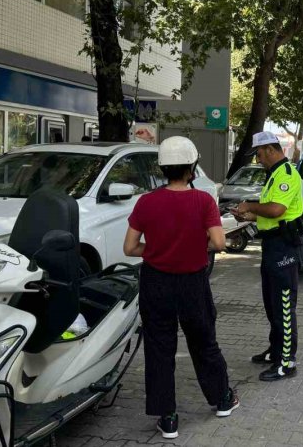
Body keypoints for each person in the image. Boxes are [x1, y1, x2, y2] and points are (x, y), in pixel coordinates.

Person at [123, 136, 238, 440]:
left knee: (160, 348)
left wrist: (156, 249)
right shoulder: (203, 201)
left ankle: (168, 418)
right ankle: (222, 399)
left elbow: (130, 248)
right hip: (192, 283)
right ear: (191, 168)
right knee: (204, 341)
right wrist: (193, 244)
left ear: (163, 168)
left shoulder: (146, 202)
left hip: (155, 283)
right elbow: (218, 242)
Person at [232, 131, 303, 382]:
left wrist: (249, 206)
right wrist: (247, 216)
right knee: (271, 303)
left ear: (271, 150)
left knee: (284, 306)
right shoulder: (273, 175)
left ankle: (287, 362)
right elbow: (271, 214)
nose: (258, 159)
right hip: (273, 245)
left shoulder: (286, 175)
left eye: (260, 154)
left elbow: (276, 209)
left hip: (285, 247)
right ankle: (275, 351)